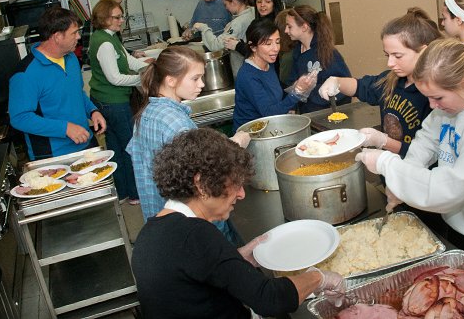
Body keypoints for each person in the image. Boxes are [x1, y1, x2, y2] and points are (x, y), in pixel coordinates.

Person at [355, 39, 464, 283]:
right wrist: (402, 180)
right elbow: (426, 141)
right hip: (460, 227)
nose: (432, 105)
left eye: (438, 98)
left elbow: (450, 188)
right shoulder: (453, 104)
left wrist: (387, 164)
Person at [131, 127, 346, 318]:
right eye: (235, 184)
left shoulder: (151, 232)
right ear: (202, 185)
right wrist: (318, 278)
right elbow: (270, 300)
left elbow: (194, 278)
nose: (242, 194)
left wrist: (234, 260)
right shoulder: (196, 235)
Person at [126, 46, 249, 244]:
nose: (201, 84)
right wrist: (235, 144)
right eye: (195, 78)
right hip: (194, 225)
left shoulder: (147, 112)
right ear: (171, 80)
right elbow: (203, 175)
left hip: (162, 220)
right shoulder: (176, 123)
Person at [318, 8, 442, 158]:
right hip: (390, 172)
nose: (390, 63)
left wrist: (383, 141)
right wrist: (337, 81)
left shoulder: (434, 96)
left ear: (423, 52)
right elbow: (360, 86)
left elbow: (427, 153)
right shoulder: (392, 80)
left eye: (397, 55)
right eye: (387, 55)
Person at [9, 7, 106, 161]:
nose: (79, 37)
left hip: (85, 144)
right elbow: (20, 118)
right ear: (57, 37)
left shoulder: (71, 59)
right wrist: (65, 128)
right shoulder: (25, 74)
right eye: (74, 33)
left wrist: (92, 111)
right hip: (54, 156)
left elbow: (77, 92)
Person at [88, 0, 152, 204]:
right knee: (130, 147)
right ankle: (135, 193)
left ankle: (123, 191)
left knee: (115, 148)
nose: (121, 20)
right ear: (104, 18)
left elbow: (127, 60)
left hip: (105, 100)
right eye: (117, 17)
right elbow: (114, 78)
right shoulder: (105, 43)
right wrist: (141, 78)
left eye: (121, 16)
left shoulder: (109, 37)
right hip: (112, 102)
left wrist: (148, 66)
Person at [232, 19, 315, 131]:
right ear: (253, 47)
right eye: (268, 44)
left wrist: (294, 88)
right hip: (251, 136)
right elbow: (269, 113)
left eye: (277, 42)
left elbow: (275, 96)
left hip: (270, 128)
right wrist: (297, 92)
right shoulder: (247, 76)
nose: (275, 49)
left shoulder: (268, 64)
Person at [284, 5, 351, 113]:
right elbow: (292, 81)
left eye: (289, 26)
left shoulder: (327, 53)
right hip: (306, 113)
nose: (285, 30)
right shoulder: (297, 51)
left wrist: (310, 91)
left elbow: (344, 88)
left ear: (304, 27)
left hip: (325, 114)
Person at [194, 0, 255, 77]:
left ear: (233, 2)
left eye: (226, 4)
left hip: (244, 71)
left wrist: (204, 28)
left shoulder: (237, 23)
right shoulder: (253, 12)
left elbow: (216, 45)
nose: (226, 8)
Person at [80, 0, 146, 65]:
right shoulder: (92, 24)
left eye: (119, 3)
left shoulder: (113, 24)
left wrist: (132, 53)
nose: (118, 7)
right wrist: (110, 63)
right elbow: (87, 56)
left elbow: (118, 49)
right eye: (116, 4)